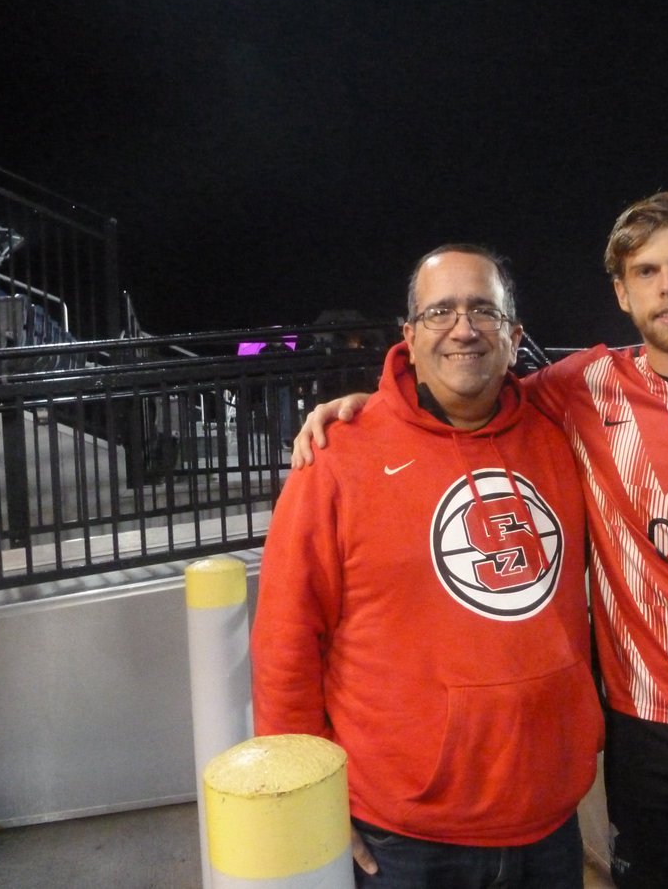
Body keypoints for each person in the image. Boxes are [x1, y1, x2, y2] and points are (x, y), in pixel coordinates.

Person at [293, 191, 668, 888]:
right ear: (623, 293)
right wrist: (369, 407)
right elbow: (467, 387)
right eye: (648, 272)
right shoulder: (580, 388)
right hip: (644, 731)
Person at [250, 245, 604, 888]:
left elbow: (648, 370)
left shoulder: (562, 438)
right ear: (408, 338)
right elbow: (285, 638)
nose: (464, 328)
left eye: (484, 310)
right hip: (403, 839)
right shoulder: (338, 457)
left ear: (515, 335)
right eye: (440, 311)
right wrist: (306, 793)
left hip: (549, 819)